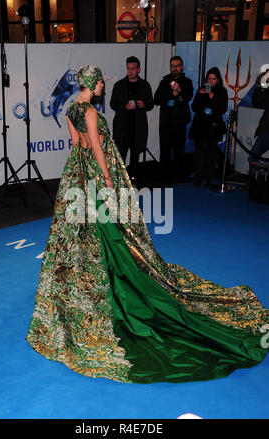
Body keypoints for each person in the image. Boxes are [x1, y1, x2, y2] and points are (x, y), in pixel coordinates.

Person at [26, 65, 268, 384]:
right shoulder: (91, 115)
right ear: (91, 83)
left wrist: (83, 174)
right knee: (113, 230)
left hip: (77, 172)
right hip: (97, 174)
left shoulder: (72, 107)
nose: (102, 84)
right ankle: (115, 276)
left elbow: (76, 145)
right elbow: (97, 148)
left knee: (81, 231)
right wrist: (109, 179)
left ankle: (89, 272)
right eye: (99, 80)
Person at [110, 56, 154, 180]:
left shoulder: (145, 85)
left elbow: (151, 104)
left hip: (138, 127)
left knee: (136, 154)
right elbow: (112, 104)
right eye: (128, 68)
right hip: (122, 127)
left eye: (133, 69)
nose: (130, 71)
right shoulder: (119, 85)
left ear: (139, 69)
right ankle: (121, 179)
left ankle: (133, 178)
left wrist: (144, 104)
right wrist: (124, 106)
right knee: (121, 154)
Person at [154, 56, 193, 183]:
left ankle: (177, 178)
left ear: (182, 67)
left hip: (180, 122)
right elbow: (156, 99)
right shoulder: (164, 81)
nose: (174, 68)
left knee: (178, 152)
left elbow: (188, 96)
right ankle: (164, 178)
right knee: (164, 152)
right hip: (166, 122)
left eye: (177, 65)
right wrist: (171, 94)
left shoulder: (187, 82)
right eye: (172, 65)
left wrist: (180, 90)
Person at [189, 67, 228, 187]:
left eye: (213, 79)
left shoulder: (222, 91)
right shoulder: (202, 89)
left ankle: (210, 178)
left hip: (213, 125)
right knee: (199, 151)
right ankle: (198, 176)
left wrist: (213, 98)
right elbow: (194, 107)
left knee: (211, 153)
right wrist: (201, 96)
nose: (210, 81)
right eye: (209, 78)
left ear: (218, 79)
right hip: (200, 124)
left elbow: (222, 109)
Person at [248, 70, 269, 166]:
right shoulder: (264, 89)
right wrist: (263, 86)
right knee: (252, 157)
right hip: (267, 129)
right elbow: (258, 102)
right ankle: (254, 179)